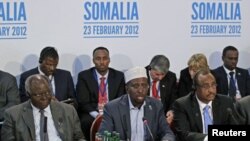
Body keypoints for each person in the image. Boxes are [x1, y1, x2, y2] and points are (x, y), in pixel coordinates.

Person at [98, 66, 176, 141]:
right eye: (135, 86)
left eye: (144, 85)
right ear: (127, 89)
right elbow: (103, 135)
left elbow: (167, 133)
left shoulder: (156, 105)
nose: (140, 90)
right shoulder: (112, 108)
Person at [1, 74, 85, 141]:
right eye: (38, 94)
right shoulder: (13, 115)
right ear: (28, 94)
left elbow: (79, 138)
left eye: (48, 93)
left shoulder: (68, 110)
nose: (44, 97)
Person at [173, 68, 238, 141]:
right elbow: (184, 134)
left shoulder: (226, 102)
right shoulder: (182, 104)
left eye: (213, 85)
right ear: (195, 87)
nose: (211, 90)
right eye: (206, 86)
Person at [76, 46, 126, 141]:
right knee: (86, 122)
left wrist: (110, 113)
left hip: (112, 110)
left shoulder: (119, 76)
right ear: (93, 60)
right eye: (98, 59)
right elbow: (83, 101)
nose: (102, 62)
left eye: (105, 58)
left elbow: (120, 99)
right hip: (92, 112)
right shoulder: (84, 76)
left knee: (121, 120)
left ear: (109, 60)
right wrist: (97, 115)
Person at [145, 55, 177, 124]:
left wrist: (171, 110)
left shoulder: (171, 77)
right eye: (157, 74)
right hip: (144, 116)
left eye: (163, 74)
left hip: (162, 117)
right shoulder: (141, 76)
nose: (160, 78)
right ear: (150, 68)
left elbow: (173, 99)